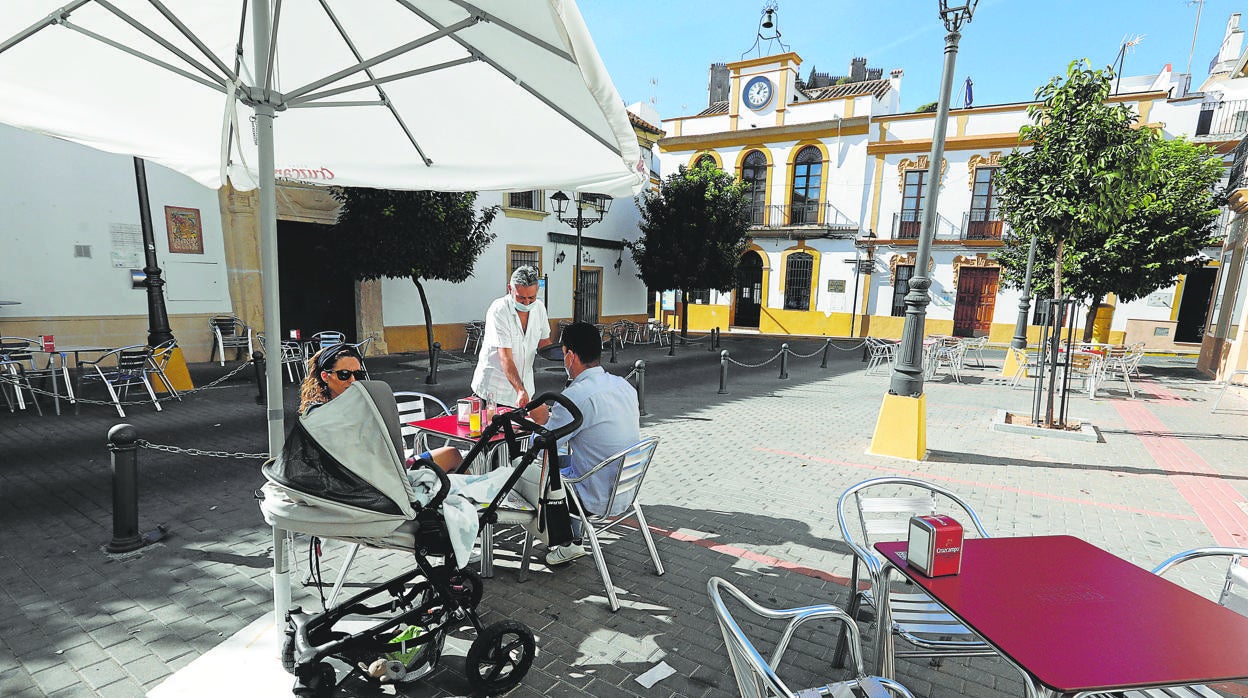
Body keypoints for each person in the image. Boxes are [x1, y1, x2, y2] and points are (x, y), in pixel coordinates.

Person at [532, 322, 641, 565]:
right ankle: (573, 539)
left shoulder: (575, 396)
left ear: (570, 356)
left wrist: (540, 421)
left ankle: (566, 543)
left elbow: (542, 447)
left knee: (529, 472)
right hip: (627, 488)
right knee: (567, 464)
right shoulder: (623, 385)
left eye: (564, 354)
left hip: (595, 497)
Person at [300, 344, 462, 473]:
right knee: (452, 457)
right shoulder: (322, 414)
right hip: (375, 478)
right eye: (344, 374)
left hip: (383, 469)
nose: (353, 380)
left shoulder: (357, 402)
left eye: (358, 374)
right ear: (325, 376)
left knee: (451, 453)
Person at [472, 266, 553, 409]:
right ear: (510, 289)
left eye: (531, 298)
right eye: (521, 298)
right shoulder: (499, 310)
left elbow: (544, 342)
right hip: (494, 392)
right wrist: (520, 390)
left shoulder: (539, 308)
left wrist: (568, 356)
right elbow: (505, 357)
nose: (527, 303)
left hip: (525, 389)